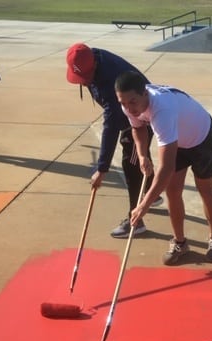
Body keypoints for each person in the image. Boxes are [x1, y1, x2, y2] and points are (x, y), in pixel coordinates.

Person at [115, 71, 212, 265]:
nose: (128, 109)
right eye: (123, 103)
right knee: (173, 191)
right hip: (176, 140)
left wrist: (144, 205)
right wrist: (142, 155)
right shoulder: (128, 105)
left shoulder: (162, 110)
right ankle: (180, 242)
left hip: (200, 135)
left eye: (132, 102)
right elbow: (138, 128)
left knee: (205, 189)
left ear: (145, 93)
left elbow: (165, 168)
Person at [65, 43, 162, 238]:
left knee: (132, 164)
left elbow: (110, 127)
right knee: (138, 161)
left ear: (93, 67)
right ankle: (153, 194)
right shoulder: (91, 59)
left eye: (86, 78)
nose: (84, 83)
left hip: (142, 118)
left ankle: (136, 221)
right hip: (127, 115)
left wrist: (102, 168)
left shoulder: (110, 80)